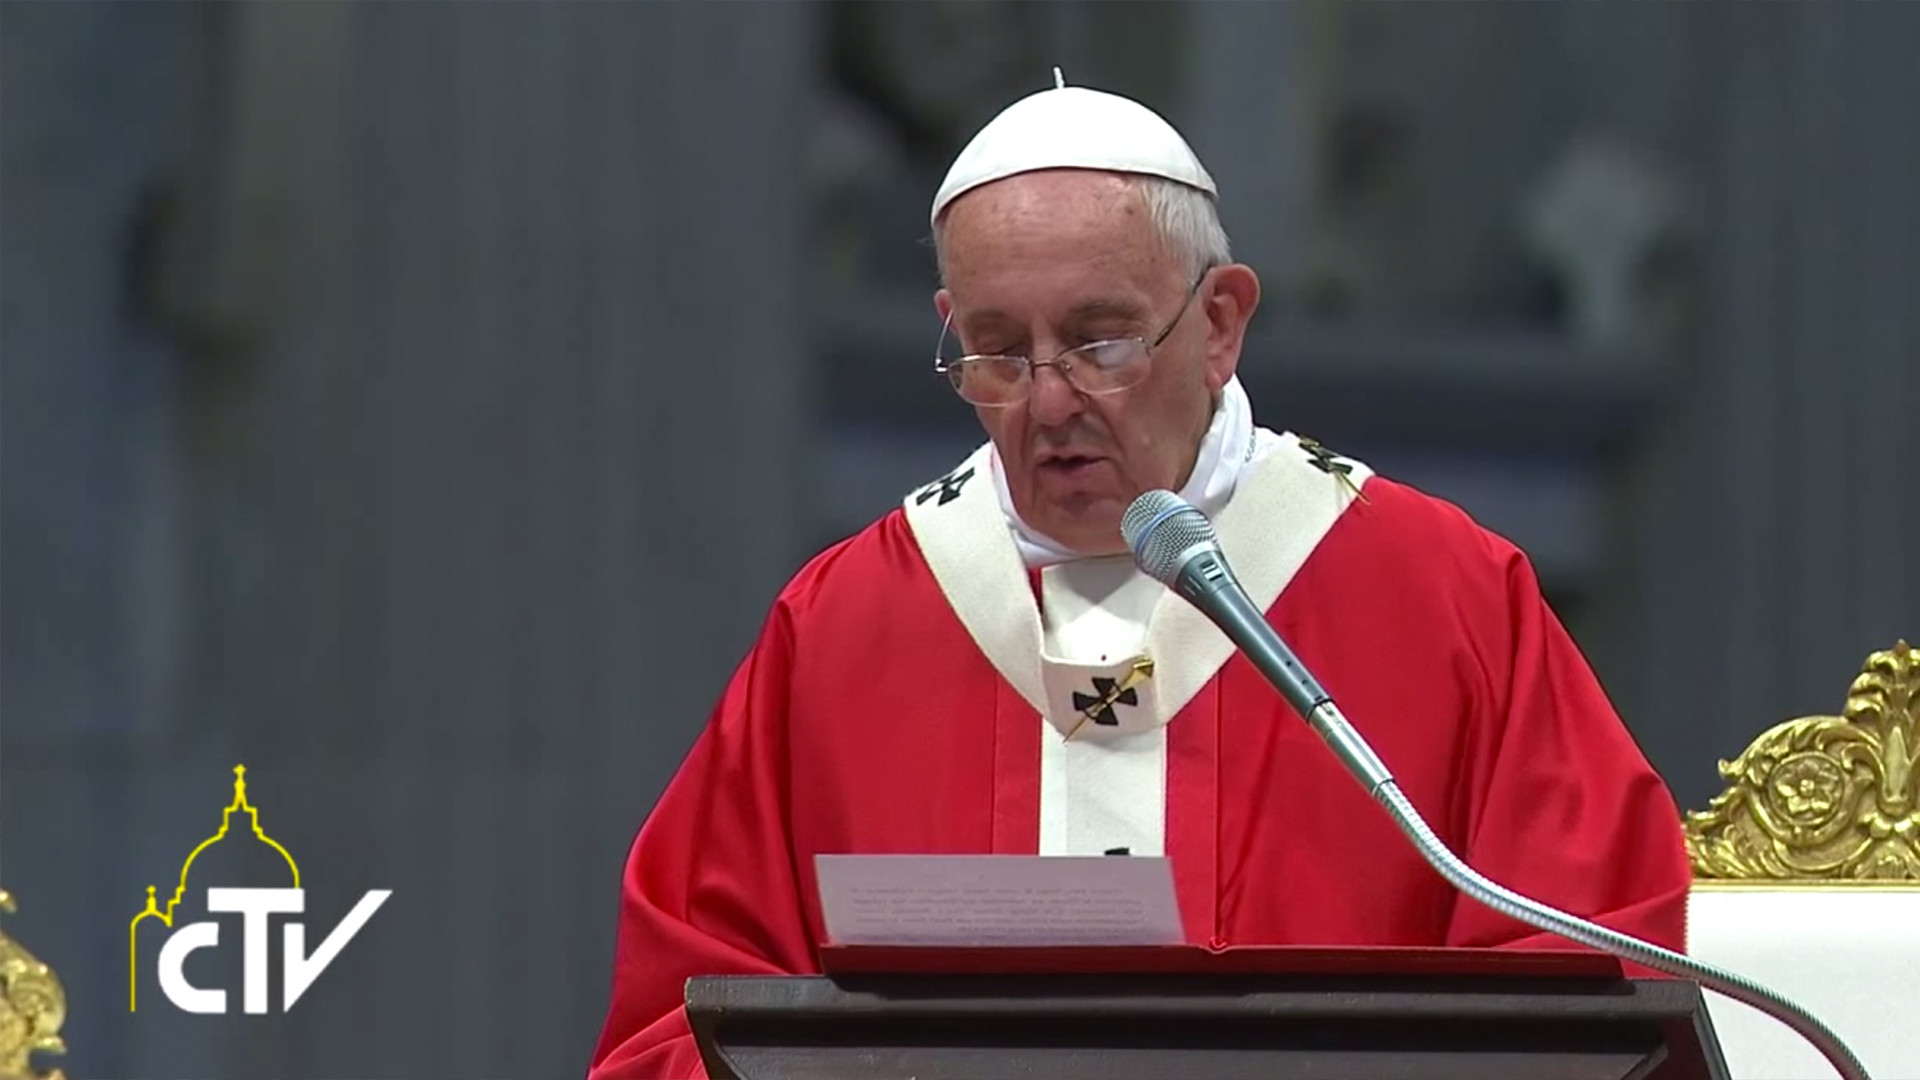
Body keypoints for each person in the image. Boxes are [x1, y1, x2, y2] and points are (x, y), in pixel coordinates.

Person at [586, 76, 1692, 1080]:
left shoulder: (1436, 594)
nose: (1049, 401)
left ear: (1220, 323)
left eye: (1099, 342)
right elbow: (679, 1024)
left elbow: (1587, 992)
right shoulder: (847, 627)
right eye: (997, 351)